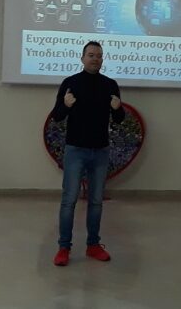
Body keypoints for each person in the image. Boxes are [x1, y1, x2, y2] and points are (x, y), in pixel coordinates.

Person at [51, 41, 125, 266]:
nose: (95, 59)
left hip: (100, 151)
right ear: (82, 58)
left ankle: (93, 245)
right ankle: (64, 248)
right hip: (76, 150)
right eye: (91, 55)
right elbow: (57, 116)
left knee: (96, 201)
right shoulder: (70, 83)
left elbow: (119, 119)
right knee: (69, 200)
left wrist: (118, 109)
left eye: (99, 55)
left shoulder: (110, 85)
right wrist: (66, 105)